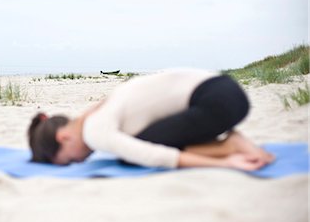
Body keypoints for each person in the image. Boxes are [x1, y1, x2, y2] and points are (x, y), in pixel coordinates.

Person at [28, 68, 275, 171]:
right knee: (139, 140)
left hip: (217, 103)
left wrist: (226, 163)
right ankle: (228, 141)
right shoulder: (97, 114)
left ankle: (228, 145)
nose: (82, 160)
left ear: (64, 136)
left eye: (71, 159)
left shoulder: (93, 130)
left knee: (131, 154)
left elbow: (153, 155)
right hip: (227, 92)